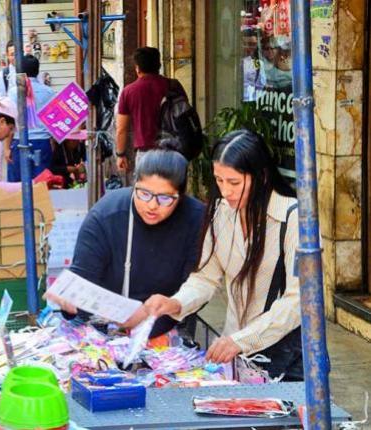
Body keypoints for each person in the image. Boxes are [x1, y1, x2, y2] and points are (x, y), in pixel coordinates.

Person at [139, 130, 302, 380]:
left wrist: (242, 340)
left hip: (286, 358)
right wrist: (176, 302)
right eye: (219, 180)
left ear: (262, 175)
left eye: (234, 182)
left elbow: (298, 301)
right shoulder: (221, 212)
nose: (226, 191)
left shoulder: (294, 218)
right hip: (236, 354)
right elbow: (205, 277)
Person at [45, 149, 205, 337]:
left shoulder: (197, 219)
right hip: (104, 321)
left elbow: (199, 284)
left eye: (165, 198)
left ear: (180, 195)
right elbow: (83, 275)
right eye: (144, 193)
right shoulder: (107, 214)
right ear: (134, 184)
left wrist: (151, 315)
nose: (152, 205)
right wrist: (69, 298)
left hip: (170, 319)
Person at [115, 47, 187, 175]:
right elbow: (185, 114)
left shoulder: (129, 91)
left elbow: (121, 129)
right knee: (171, 192)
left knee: (146, 193)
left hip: (146, 155)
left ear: (137, 68)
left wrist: (120, 154)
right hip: (173, 152)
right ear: (159, 65)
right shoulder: (173, 85)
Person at [6, 55, 56, 181]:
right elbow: (54, 121)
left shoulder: (13, 92)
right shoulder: (49, 92)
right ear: (37, 70)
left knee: (17, 186)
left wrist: (7, 147)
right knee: (42, 185)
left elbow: (10, 120)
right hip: (42, 141)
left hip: (19, 140)